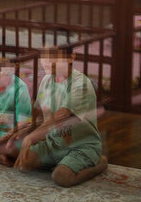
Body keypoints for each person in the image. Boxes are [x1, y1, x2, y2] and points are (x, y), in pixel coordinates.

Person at [11, 47, 107, 187]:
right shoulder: (46, 80)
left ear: (71, 57)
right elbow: (40, 114)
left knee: (61, 177)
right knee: (23, 163)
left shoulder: (81, 84)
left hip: (81, 146)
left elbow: (61, 116)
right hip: (54, 142)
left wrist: (31, 137)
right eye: (44, 56)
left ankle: (99, 163)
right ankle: (60, 162)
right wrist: (22, 130)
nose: (48, 61)